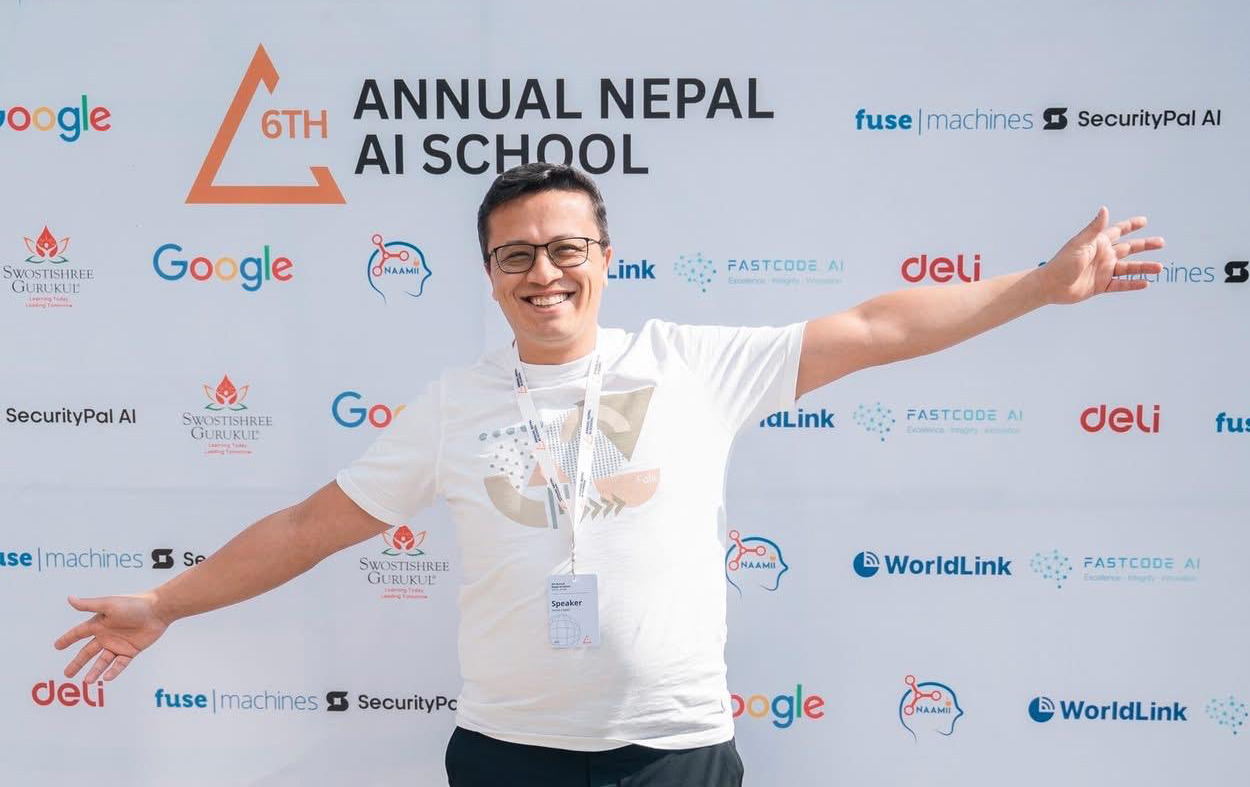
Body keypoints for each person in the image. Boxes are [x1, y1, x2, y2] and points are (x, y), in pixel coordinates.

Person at [54, 163, 1164, 786]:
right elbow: (310, 526)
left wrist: (1037, 285)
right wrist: (166, 601)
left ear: (603, 257)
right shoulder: (454, 403)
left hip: (674, 755)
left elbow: (876, 326)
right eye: (515, 253)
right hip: (508, 759)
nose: (542, 271)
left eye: (564, 247)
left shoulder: (690, 363)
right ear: (490, 274)